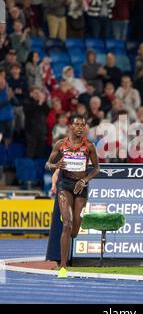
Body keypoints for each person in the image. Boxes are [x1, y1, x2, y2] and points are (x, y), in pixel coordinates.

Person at [45, 115, 99, 278]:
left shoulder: (89, 146)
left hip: (80, 187)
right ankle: (63, 266)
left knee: (74, 232)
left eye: (83, 125)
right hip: (65, 185)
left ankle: (69, 219)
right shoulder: (61, 144)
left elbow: (97, 168)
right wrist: (55, 165)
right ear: (71, 126)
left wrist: (84, 180)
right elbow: (47, 164)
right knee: (67, 225)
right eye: (77, 124)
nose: (81, 127)